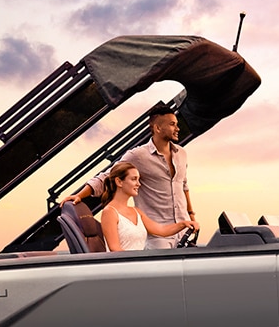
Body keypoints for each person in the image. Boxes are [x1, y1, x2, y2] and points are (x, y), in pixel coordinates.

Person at [63, 103, 196, 248]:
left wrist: (191, 216)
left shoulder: (182, 154)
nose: (177, 128)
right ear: (157, 128)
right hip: (158, 237)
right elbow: (108, 175)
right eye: (172, 124)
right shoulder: (138, 156)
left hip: (183, 232)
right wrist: (81, 195)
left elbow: (184, 185)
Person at [95, 161, 194, 251]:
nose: (139, 184)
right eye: (134, 179)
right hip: (123, 267)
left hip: (139, 264)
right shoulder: (109, 212)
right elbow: (115, 249)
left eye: (138, 180)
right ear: (119, 182)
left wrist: (184, 224)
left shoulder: (137, 212)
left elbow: (161, 230)